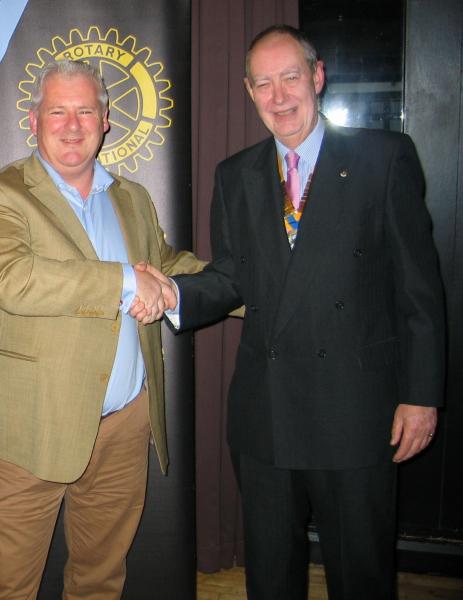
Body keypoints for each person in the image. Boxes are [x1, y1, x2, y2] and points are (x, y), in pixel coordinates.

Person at [144, 24, 446, 600]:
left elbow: (419, 291)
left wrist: (422, 394)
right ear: (249, 91)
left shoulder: (383, 158)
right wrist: (176, 295)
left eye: (290, 77)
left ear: (317, 76)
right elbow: (233, 276)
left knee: (361, 576)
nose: (279, 96)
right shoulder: (236, 174)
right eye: (263, 83)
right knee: (272, 577)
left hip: (356, 412)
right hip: (268, 413)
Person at [0, 59, 205, 599]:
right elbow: (13, 279)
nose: (73, 125)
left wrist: (254, 290)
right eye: (58, 112)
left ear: (107, 118)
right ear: (33, 119)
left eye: (85, 111)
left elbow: (166, 265)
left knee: (100, 581)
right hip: (32, 427)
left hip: (122, 427)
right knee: (6, 587)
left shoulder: (132, 198)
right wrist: (124, 280)